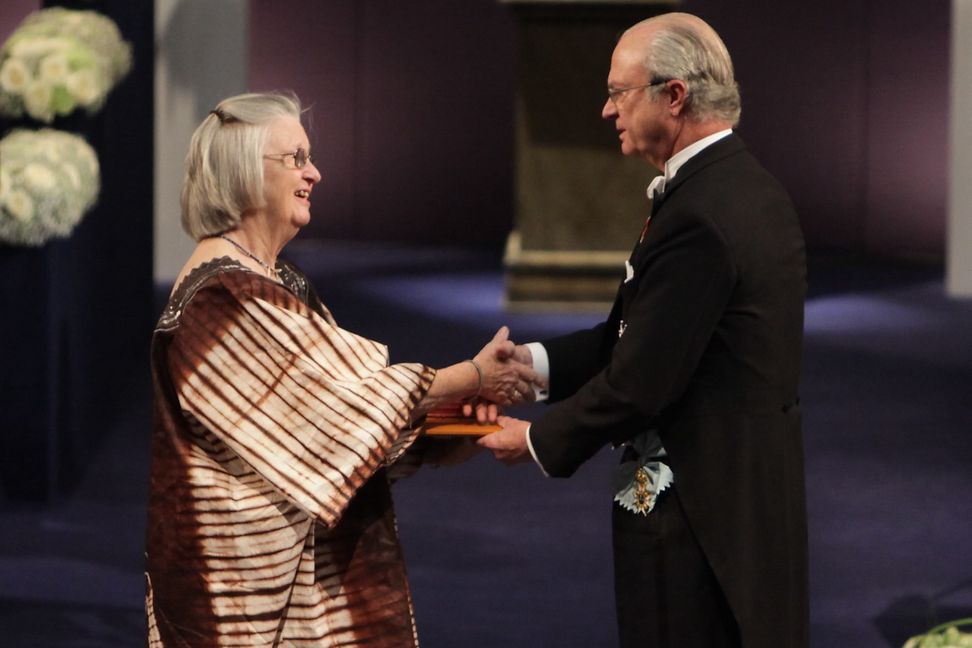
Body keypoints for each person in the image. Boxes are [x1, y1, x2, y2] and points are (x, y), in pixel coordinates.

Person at [145, 91, 537, 647]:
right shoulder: (220, 298)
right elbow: (339, 413)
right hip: (236, 595)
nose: (316, 173)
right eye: (297, 158)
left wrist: (471, 423)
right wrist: (471, 377)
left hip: (302, 579)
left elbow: (350, 421)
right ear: (242, 171)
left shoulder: (278, 281)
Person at [480, 12, 809, 648]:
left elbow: (641, 383)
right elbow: (642, 336)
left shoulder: (701, 214)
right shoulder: (741, 188)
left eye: (618, 92)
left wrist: (539, 441)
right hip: (745, 501)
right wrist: (531, 366)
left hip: (697, 517)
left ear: (674, 94)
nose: (607, 110)